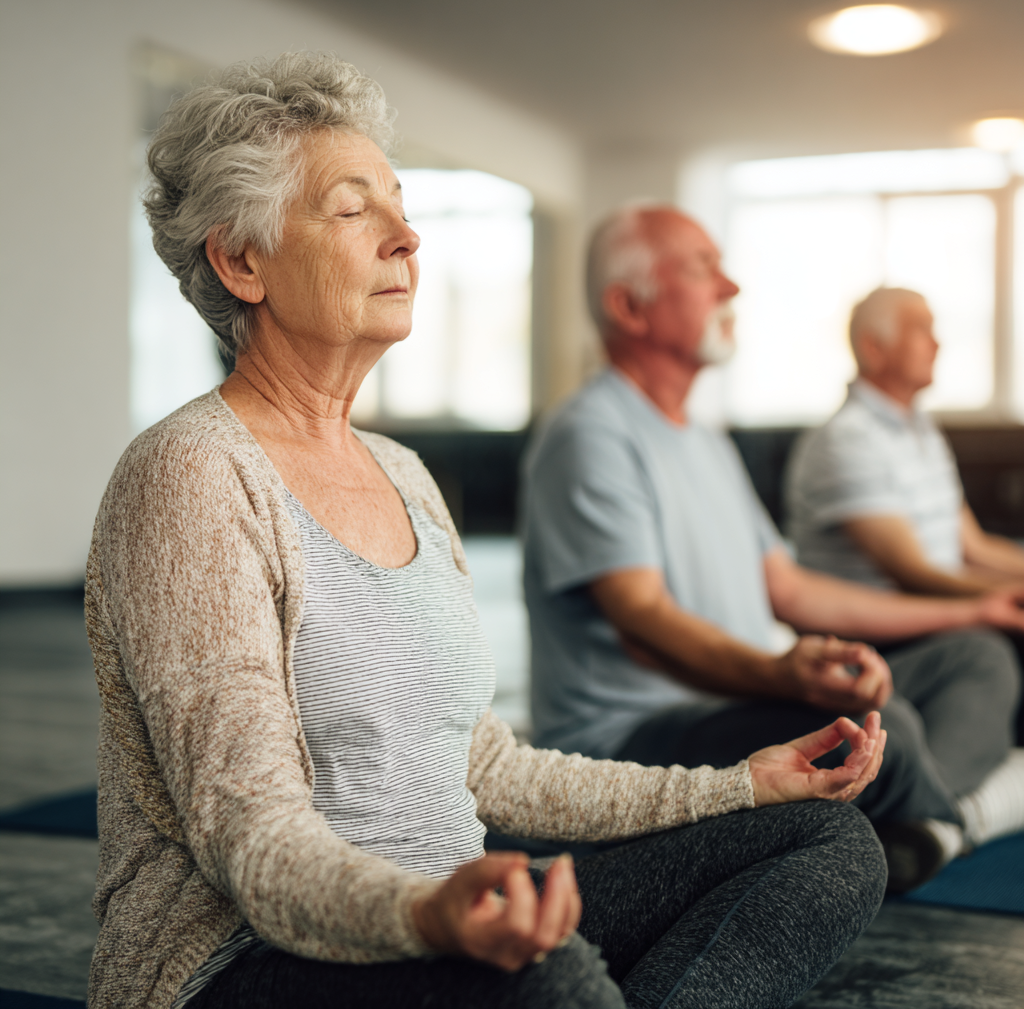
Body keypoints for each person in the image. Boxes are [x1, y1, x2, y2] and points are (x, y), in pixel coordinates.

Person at [85, 54, 887, 1009]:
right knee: (547, 979)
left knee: (823, 838)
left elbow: (488, 767)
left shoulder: (406, 477)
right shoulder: (188, 474)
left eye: (401, 203)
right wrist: (429, 918)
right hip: (241, 964)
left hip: (441, 917)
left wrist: (738, 786)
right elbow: (247, 835)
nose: (408, 237)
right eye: (353, 210)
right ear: (240, 261)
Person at [522, 204, 1024, 893]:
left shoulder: (705, 439)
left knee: (976, 659)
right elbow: (646, 627)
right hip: (636, 737)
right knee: (882, 731)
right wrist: (781, 674)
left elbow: (792, 591)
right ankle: (960, 815)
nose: (731, 287)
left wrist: (975, 612)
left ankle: (931, 828)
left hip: (732, 695)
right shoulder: (591, 433)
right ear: (628, 307)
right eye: (703, 269)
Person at [787, 287, 1024, 752]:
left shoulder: (921, 429)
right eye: (921, 329)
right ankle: (941, 808)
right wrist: (1008, 598)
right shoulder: (846, 440)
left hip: (931, 609)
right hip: (876, 634)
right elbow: (912, 572)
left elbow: (972, 546)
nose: (937, 343)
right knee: (992, 648)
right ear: (874, 349)